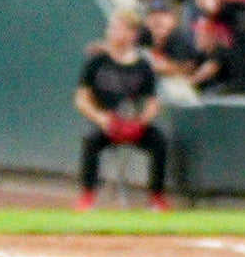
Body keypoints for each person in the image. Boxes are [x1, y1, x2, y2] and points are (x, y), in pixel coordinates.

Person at [74, 18, 173, 208]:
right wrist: (100, 118)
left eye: (119, 28)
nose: (113, 32)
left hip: (133, 122)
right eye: (112, 28)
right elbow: (81, 99)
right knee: (90, 140)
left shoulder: (142, 65)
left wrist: (141, 121)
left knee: (159, 141)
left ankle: (156, 198)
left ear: (132, 34)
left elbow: (153, 103)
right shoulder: (97, 61)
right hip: (106, 122)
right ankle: (87, 196)